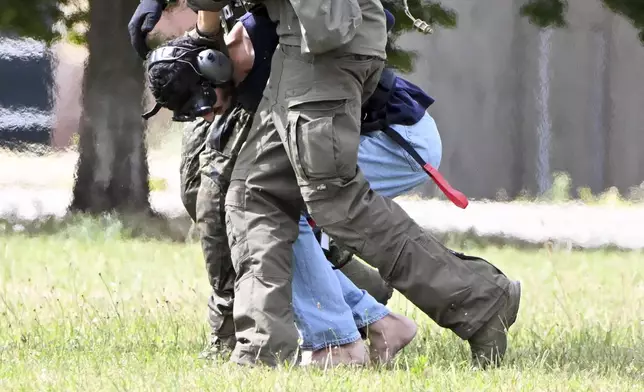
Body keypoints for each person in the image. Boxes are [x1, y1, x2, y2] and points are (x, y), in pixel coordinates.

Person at [130, 0, 521, 369]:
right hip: (308, 42)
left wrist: (202, 25)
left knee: (332, 199)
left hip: (324, 44)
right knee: (255, 193)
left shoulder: (255, 51)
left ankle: (476, 303)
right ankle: (265, 355)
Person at [144, 11, 419, 367]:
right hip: (360, 137)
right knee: (264, 206)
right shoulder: (247, 70)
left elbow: (372, 17)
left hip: (398, 140)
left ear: (216, 70)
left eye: (206, 104)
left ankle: (339, 342)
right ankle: (373, 321)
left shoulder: (267, 42)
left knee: (269, 210)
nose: (209, 116)